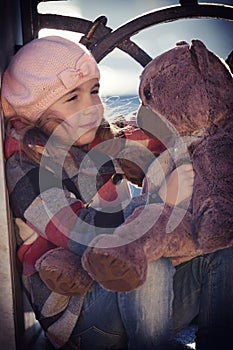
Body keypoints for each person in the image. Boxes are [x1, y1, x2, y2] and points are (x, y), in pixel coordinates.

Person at [1, 35, 193, 350]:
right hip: (82, 318)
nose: (91, 107)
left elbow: (157, 144)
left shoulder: (89, 140)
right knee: (143, 252)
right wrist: (159, 203)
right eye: (72, 98)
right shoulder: (26, 166)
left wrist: (194, 130)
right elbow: (83, 235)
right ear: (37, 111)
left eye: (94, 91)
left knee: (221, 254)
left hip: (125, 298)